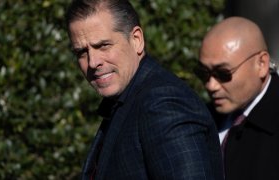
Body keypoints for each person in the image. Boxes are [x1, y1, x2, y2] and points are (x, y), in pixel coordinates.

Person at [66, 0, 223, 179]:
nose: (93, 62)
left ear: (136, 40)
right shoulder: (127, 100)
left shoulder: (164, 104)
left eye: (103, 45)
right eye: (81, 53)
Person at [194, 16, 279, 180]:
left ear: (261, 64)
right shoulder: (201, 117)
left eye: (223, 74)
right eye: (203, 73)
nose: (211, 85)